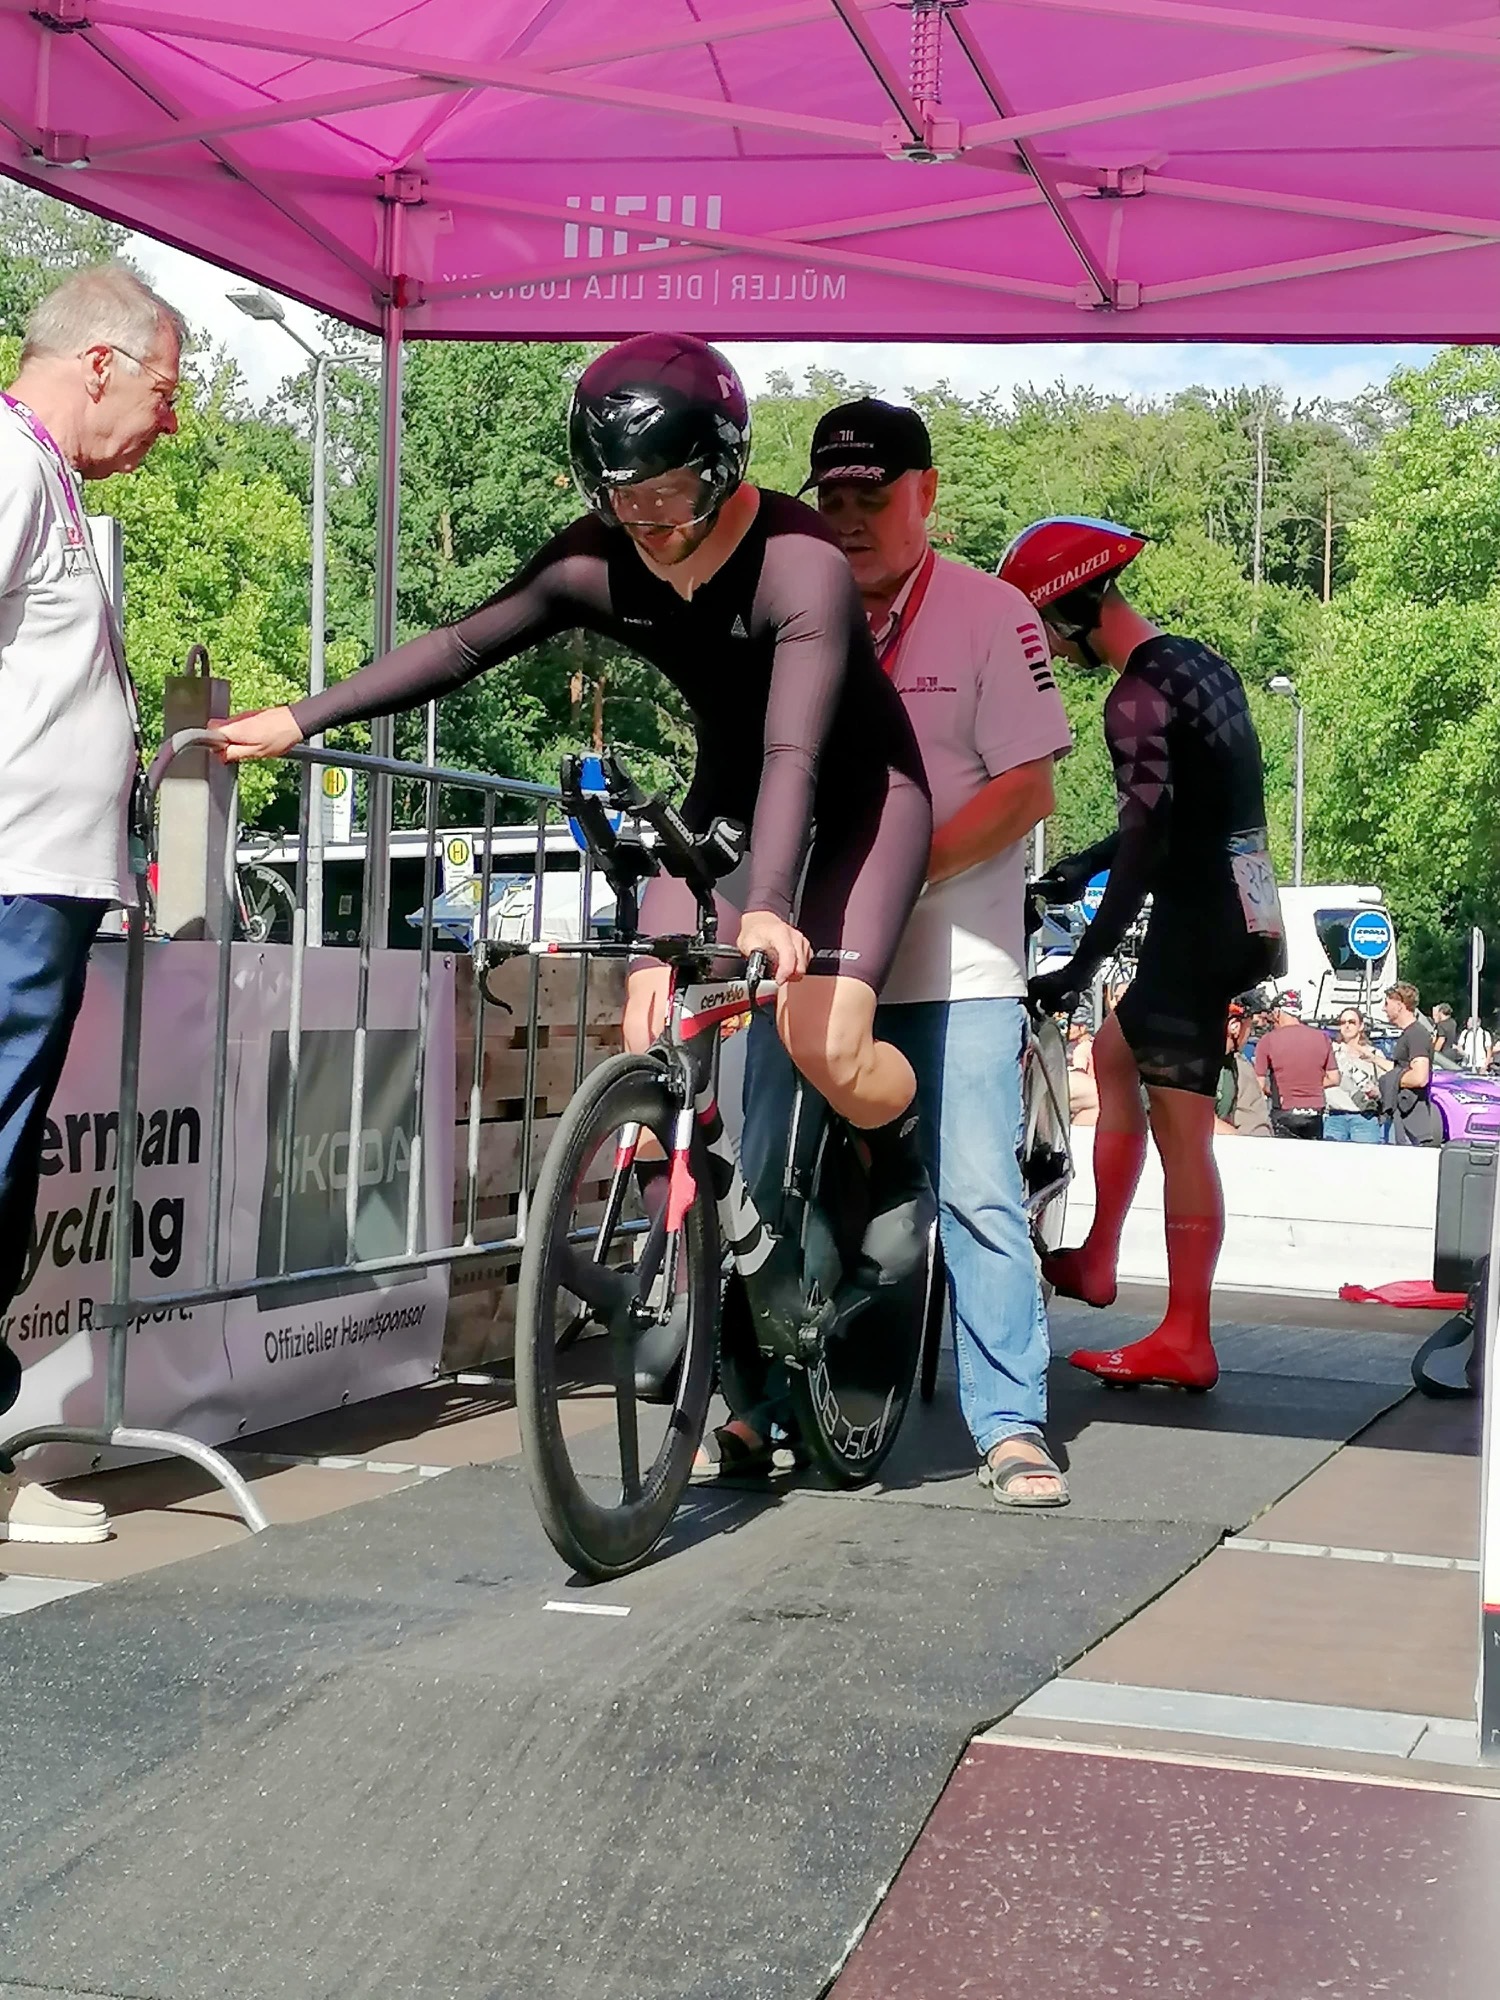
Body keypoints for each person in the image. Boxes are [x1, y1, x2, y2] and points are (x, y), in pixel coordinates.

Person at [211, 335, 937, 1450]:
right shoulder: (593, 561)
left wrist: (770, 905)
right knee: (649, 1025)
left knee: (822, 1042)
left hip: (857, 799)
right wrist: (302, 719)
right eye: (622, 498)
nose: (647, 520)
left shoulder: (803, 566)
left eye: (671, 492)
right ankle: (714, 1302)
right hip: (735, 797)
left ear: (728, 464)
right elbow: (463, 645)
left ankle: (898, 1146)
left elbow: (795, 749)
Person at [807, 398, 1074, 1506]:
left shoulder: (992, 611)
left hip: (958, 965)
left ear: (927, 492)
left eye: (876, 498)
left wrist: (903, 872)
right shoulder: (799, 607)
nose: (853, 520)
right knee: (783, 1178)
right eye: (833, 501)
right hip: (825, 963)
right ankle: (760, 1402)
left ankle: (1011, 1421)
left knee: (974, 1186)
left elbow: (1028, 791)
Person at [1002, 516, 1285, 1392]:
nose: (1043, 646)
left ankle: (1186, 1337)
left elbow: (1149, 848)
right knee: (1117, 1056)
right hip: (1243, 904)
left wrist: (1076, 971)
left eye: (1040, 626)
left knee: (1185, 1135)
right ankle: (1097, 1256)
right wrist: (1081, 866)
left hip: (1195, 924)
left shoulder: (1130, 702)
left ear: (1069, 609)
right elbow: (1176, 816)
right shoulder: (1201, 664)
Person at [0, 263, 184, 1544]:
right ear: (103, 360)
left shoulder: (41, 475)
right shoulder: (12, 465)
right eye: (165, 391)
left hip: (40, 883)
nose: (166, 425)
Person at [1253, 989, 1334, 1140]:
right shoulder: (1322, 1038)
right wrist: (1310, 1085)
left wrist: (1274, 1090)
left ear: (1277, 1013)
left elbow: (1259, 1084)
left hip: (1284, 1111)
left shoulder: (1268, 1040)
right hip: (1314, 1113)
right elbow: (1335, 1078)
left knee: (1283, 1161)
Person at [1376, 982, 1442, 1146]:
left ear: (1399, 1006)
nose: (1384, 1009)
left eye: (1386, 1004)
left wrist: (1388, 1081)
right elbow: (1401, 1069)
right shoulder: (1409, 1033)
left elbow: (1419, 1078)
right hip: (1403, 1117)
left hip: (1411, 1121)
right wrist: (1372, 1058)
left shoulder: (1416, 1034)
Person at [1324, 1007, 1384, 1142]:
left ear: (1361, 1026)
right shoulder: (1331, 1052)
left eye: (1351, 1022)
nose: (1347, 1025)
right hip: (1335, 1118)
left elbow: (1385, 1086)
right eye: (1343, 1022)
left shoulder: (1374, 1054)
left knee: (1366, 1162)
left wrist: (1376, 1092)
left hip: (1365, 1119)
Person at [1214, 1002, 1272, 1137]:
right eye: (1250, 1027)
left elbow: (1256, 1128)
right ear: (1235, 1026)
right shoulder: (1180, 1062)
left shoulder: (1239, 1067)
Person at [1067, 1009, 1099, 1127]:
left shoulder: (1082, 1048)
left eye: (1072, 1025)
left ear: (1083, 1028)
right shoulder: (1092, 1044)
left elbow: (1080, 1072)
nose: (1068, 1028)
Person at [1430, 1002, 1461, 1071]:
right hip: (1451, 1053)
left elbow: (1441, 1040)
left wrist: (1434, 1053)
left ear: (1441, 1012)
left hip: (1443, 1055)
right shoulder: (1453, 1022)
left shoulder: (1441, 1025)